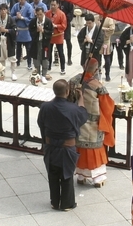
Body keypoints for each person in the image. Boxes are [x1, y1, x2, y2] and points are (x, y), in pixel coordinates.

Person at [37, 79, 88, 211]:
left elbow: (40, 123)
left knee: (53, 174)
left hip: (50, 146)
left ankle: (54, 202)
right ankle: (66, 204)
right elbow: (83, 115)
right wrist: (81, 98)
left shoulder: (45, 107)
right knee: (66, 175)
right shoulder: (73, 108)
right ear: (67, 91)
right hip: (67, 147)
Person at [69, 57, 115, 187]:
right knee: (94, 150)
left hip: (77, 121)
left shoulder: (72, 81)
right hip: (93, 124)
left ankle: (81, 176)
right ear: (95, 70)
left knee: (80, 148)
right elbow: (107, 106)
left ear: (84, 66)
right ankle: (97, 178)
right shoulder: (97, 86)